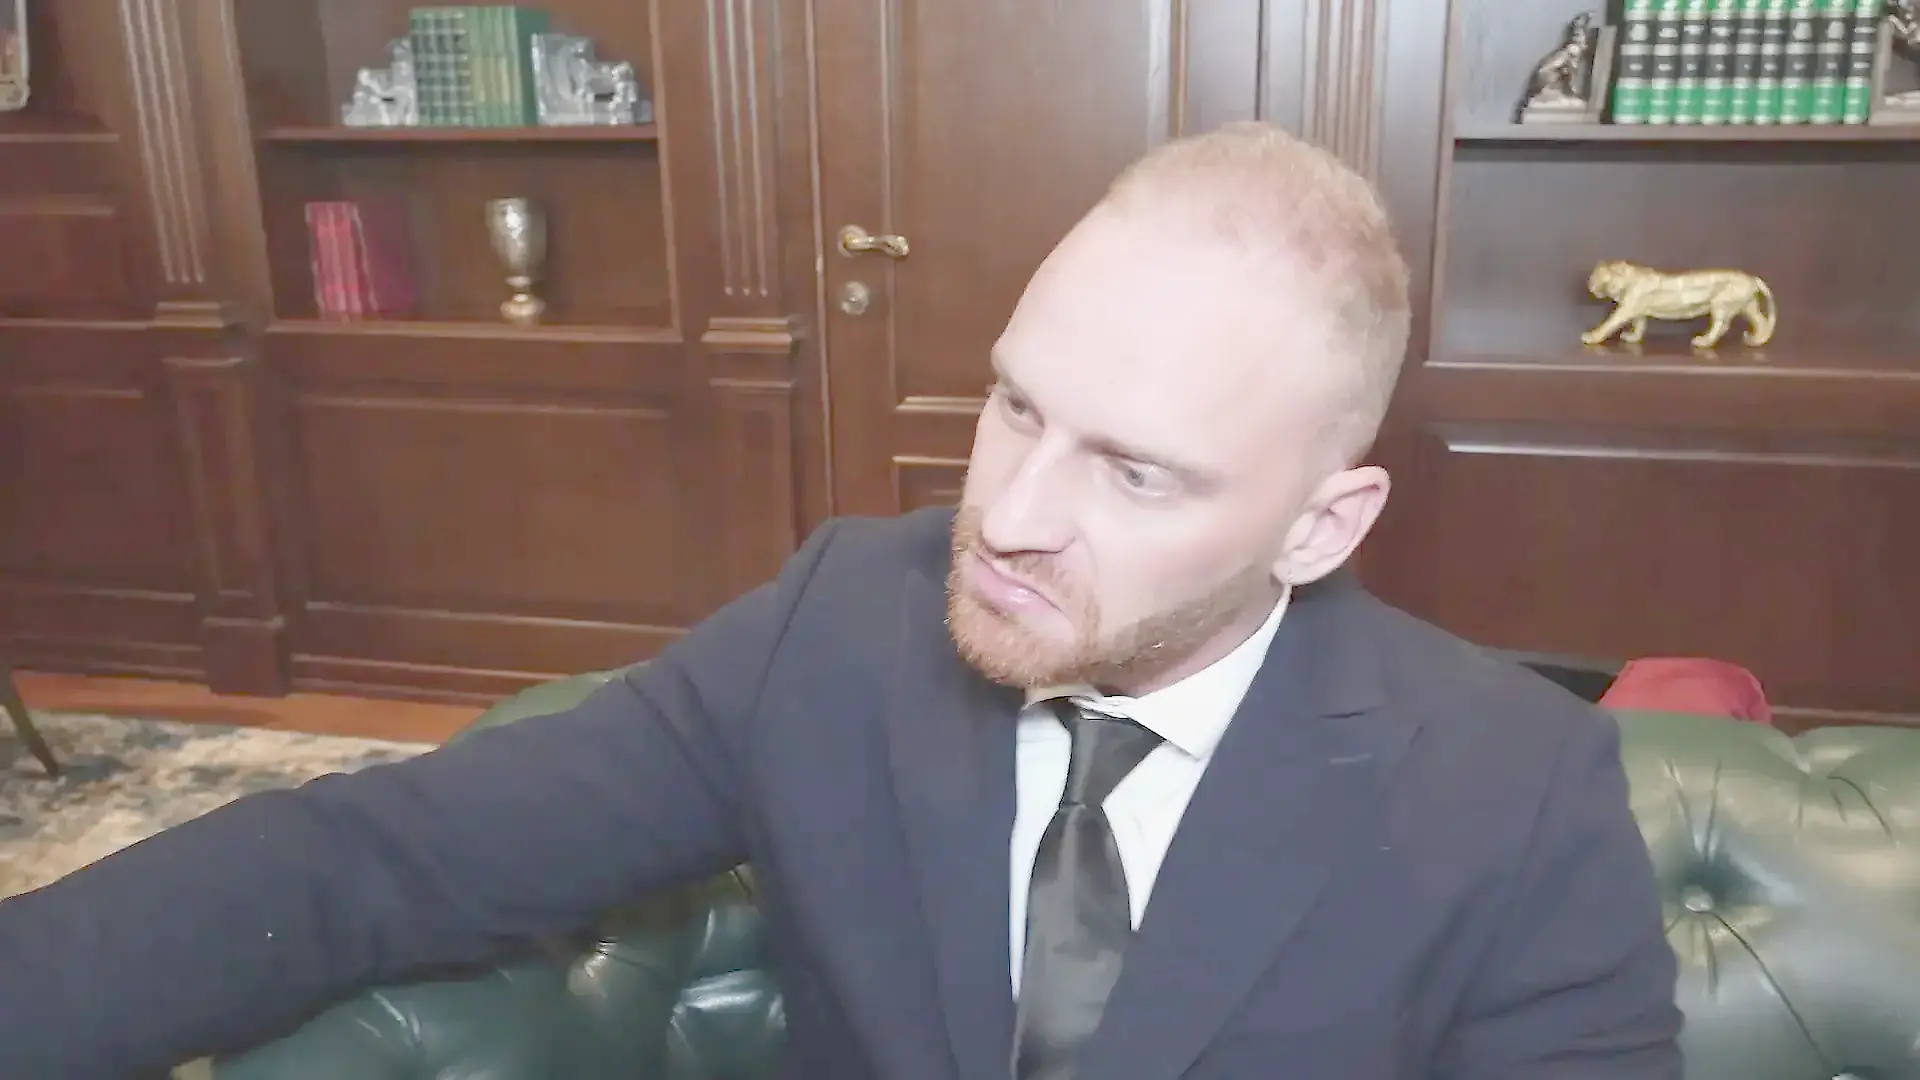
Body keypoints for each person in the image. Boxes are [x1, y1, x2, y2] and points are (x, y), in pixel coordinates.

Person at [0, 121, 1682, 1079]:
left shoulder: (1516, 790)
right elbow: (381, 862)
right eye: (1015, 405)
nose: (1007, 517)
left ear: (1321, 526)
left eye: (1136, 473)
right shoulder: (841, 623)